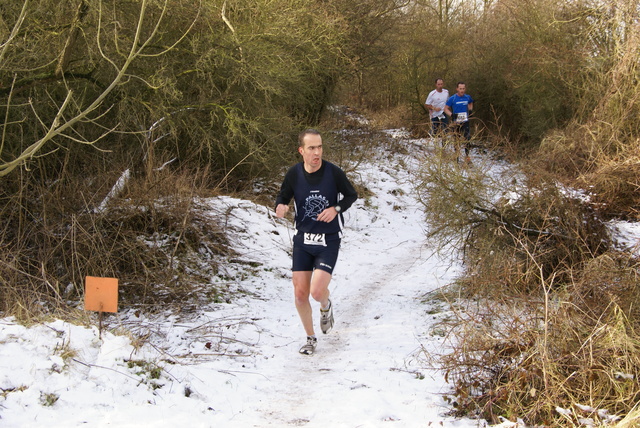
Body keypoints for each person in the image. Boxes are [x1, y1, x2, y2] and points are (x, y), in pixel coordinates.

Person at [275, 129, 358, 355]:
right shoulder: (294, 174)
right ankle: (310, 338)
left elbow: (351, 195)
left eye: (319, 147)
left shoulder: (333, 173)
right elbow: (283, 196)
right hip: (303, 239)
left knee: (317, 292)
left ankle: (326, 305)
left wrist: (336, 209)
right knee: (300, 294)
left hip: (328, 239)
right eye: (311, 148)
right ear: (301, 150)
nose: (317, 152)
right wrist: (280, 206)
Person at [444, 81, 474, 162]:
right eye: (460, 89)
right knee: (456, 140)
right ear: (457, 89)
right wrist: (451, 115)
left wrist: (470, 110)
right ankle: (456, 156)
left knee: (467, 139)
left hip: (465, 121)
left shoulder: (467, 97)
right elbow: (445, 108)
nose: (462, 90)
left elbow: (471, 103)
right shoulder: (452, 98)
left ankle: (467, 157)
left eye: (463, 89)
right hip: (456, 123)